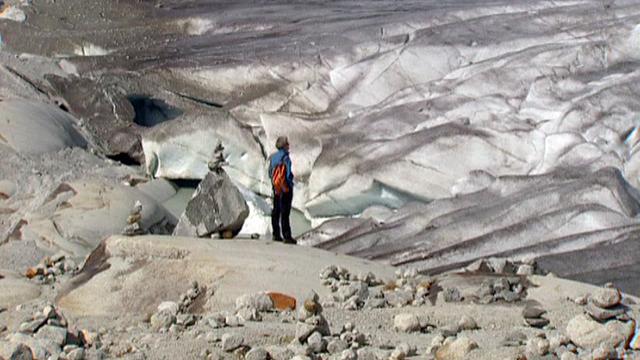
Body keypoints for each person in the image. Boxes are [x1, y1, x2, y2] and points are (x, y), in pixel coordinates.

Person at [269, 136, 295, 244]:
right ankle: (287, 236)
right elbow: (288, 174)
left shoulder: (273, 158)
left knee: (276, 211)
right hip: (285, 188)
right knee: (285, 212)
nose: (288, 145)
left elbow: (270, 173)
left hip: (276, 188)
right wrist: (289, 184)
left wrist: (275, 184)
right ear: (284, 145)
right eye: (287, 144)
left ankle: (276, 234)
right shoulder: (285, 158)